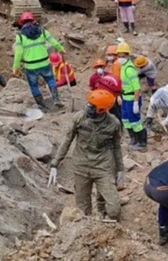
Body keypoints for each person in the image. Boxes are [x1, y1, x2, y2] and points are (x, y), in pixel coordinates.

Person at [48, 89, 125, 222]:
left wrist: (120, 169)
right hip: (81, 166)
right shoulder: (79, 118)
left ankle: (103, 215)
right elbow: (67, 141)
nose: (88, 107)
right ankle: (87, 229)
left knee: (114, 210)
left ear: (101, 109)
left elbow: (117, 147)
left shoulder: (113, 123)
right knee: (83, 210)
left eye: (92, 106)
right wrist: (55, 163)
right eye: (88, 103)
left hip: (103, 167)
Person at [12, 11, 65, 109]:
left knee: (34, 85)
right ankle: (56, 99)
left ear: (21, 23)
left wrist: (16, 67)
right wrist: (61, 49)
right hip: (44, 63)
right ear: (33, 20)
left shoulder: (20, 36)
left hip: (30, 66)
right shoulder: (42, 31)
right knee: (50, 80)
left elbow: (18, 53)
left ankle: (42, 106)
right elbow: (53, 41)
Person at [117, 42, 147, 151]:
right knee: (125, 120)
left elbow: (137, 88)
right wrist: (119, 96)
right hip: (125, 98)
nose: (120, 58)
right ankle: (133, 139)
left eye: (123, 56)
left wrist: (135, 103)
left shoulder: (130, 69)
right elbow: (123, 84)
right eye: (119, 56)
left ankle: (142, 143)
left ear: (128, 55)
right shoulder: (123, 67)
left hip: (131, 99)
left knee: (135, 121)